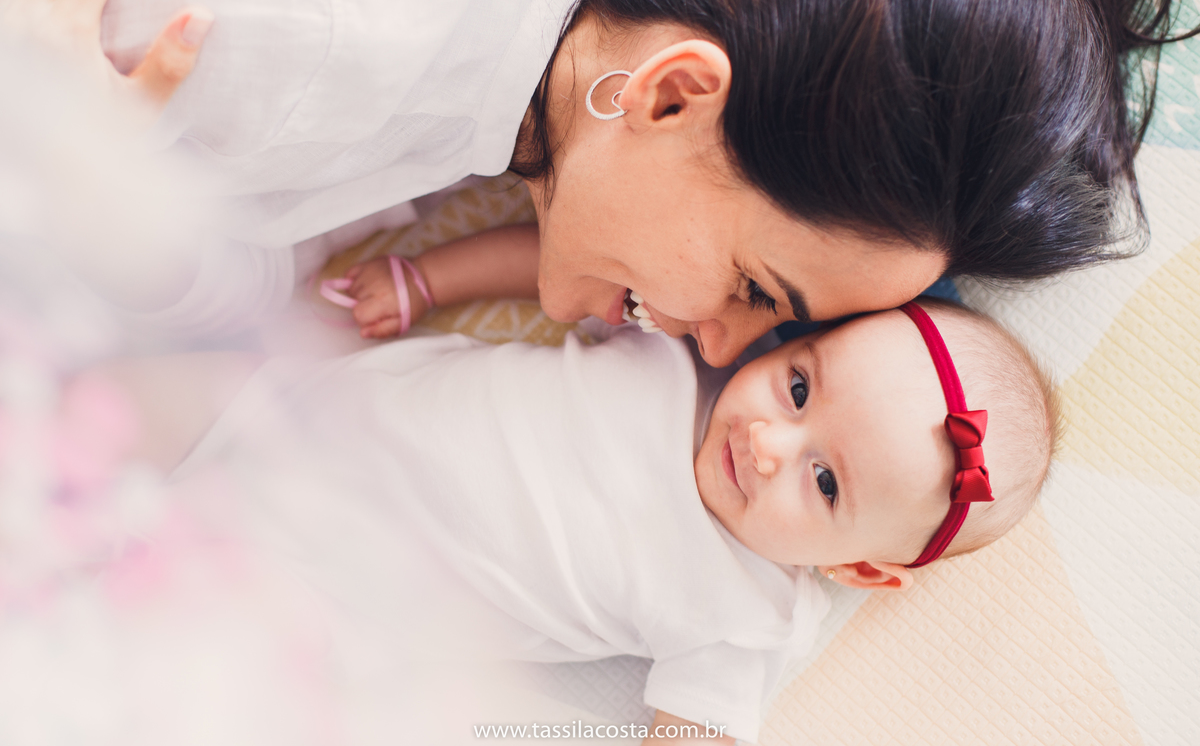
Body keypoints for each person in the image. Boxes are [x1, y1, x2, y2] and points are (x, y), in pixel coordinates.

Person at [2, 0, 1187, 365]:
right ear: (676, 95)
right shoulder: (291, 32)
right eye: (755, 290)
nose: (715, 344)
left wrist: (112, 209)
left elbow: (235, 276)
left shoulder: (507, 106)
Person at [162, 295, 1055, 744]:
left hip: (316, 598)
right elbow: (550, 268)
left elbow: (694, 731)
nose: (771, 443)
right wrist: (428, 275)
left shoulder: (752, 612)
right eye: (798, 385)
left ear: (862, 570)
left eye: (824, 484)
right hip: (303, 408)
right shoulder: (690, 348)